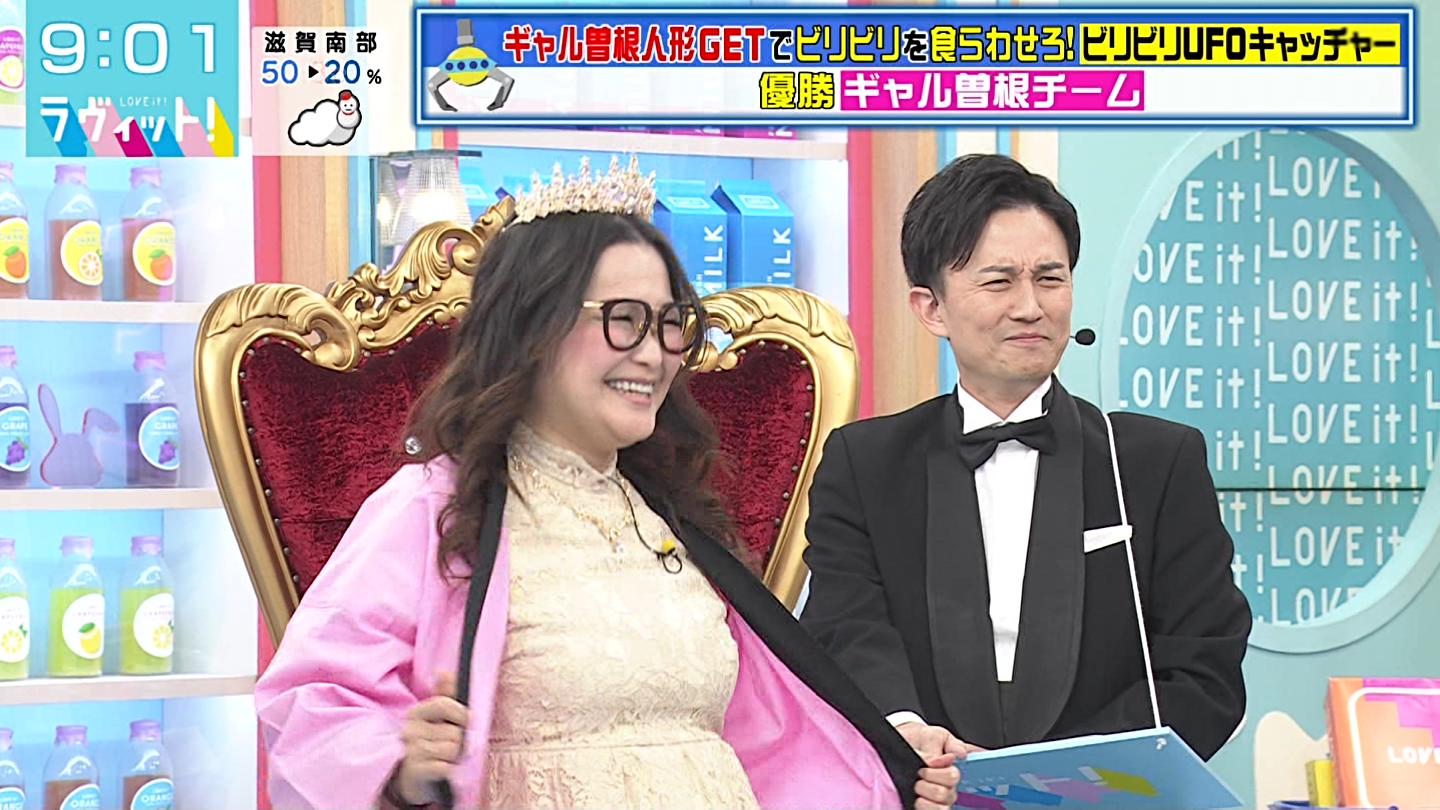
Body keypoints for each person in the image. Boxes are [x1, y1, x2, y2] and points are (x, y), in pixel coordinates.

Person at [252, 156, 961, 810]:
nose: (654, 354)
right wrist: (398, 767)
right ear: (531, 327)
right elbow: (308, 700)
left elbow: (778, 749)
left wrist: (895, 772)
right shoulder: (435, 508)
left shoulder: (676, 525)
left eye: (671, 324)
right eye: (624, 321)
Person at [798, 153, 1251, 763]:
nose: (1030, 306)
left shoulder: (1156, 462)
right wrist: (906, 735)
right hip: (923, 786)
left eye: (1050, 278)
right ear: (931, 308)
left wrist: (1065, 778)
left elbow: (1204, 670)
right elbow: (845, 628)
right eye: (999, 281)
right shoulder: (866, 464)